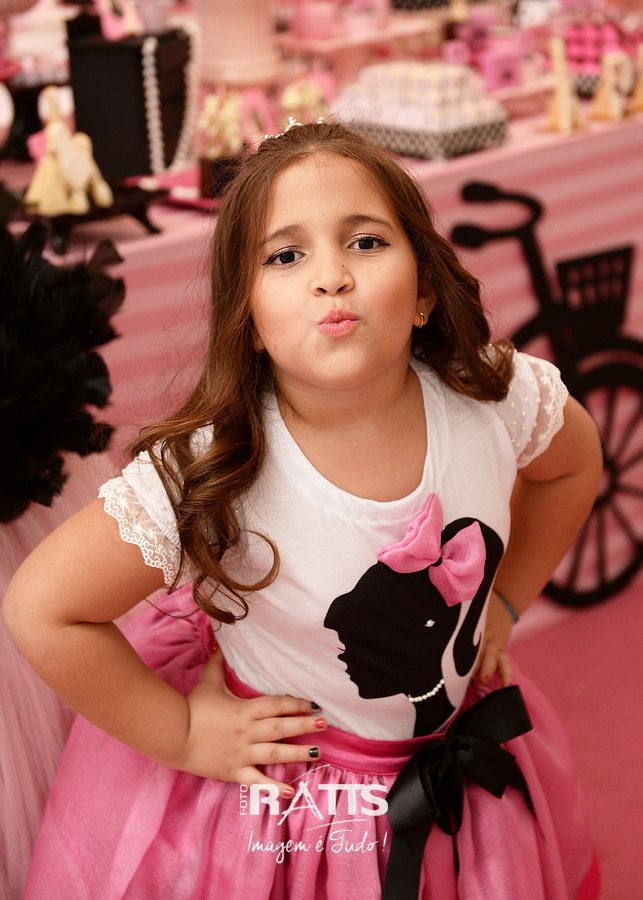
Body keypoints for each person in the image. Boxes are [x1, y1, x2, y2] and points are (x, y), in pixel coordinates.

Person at [3, 120, 603, 899]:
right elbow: (42, 609)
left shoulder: (495, 396)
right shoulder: (214, 469)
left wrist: (506, 599)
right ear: (247, 319)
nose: (331, 277)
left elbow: (572, 467)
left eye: (365, 242)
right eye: (286, 256)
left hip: (455, 756)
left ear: (424, 290)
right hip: (294, 808)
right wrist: (183, 734)